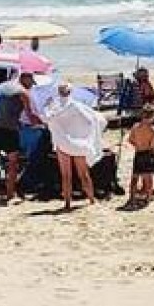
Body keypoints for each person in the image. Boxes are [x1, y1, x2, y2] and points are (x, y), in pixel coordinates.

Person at [42, 81, 103, 211]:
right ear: (70, 92)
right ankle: (91, 199)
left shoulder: (55, 108)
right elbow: (92, 120)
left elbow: (47, 119)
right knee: (83, 174)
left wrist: (47, 106)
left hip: (62, 143)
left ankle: (68, 203)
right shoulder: (76, 106)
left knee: (66, 175)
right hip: (78, 143)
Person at [0, 73, 34, 204]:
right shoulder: (24, 93)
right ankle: (10, 193)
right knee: (13, 162)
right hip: (10, 130)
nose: (32, 85)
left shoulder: (6, 87)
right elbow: (29, 114)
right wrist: (40, 123)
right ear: (25, 79)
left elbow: (5, 109)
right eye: (31, 82)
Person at [125, 107, 154, 207]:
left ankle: (132, 197)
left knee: (135, 177)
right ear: (153, 117)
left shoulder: (135, 127)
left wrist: (137, 145)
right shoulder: (152, 130)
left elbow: (130, 140)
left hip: (138, 153)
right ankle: (148, 198)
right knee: (148, 178)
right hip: (148, 154)